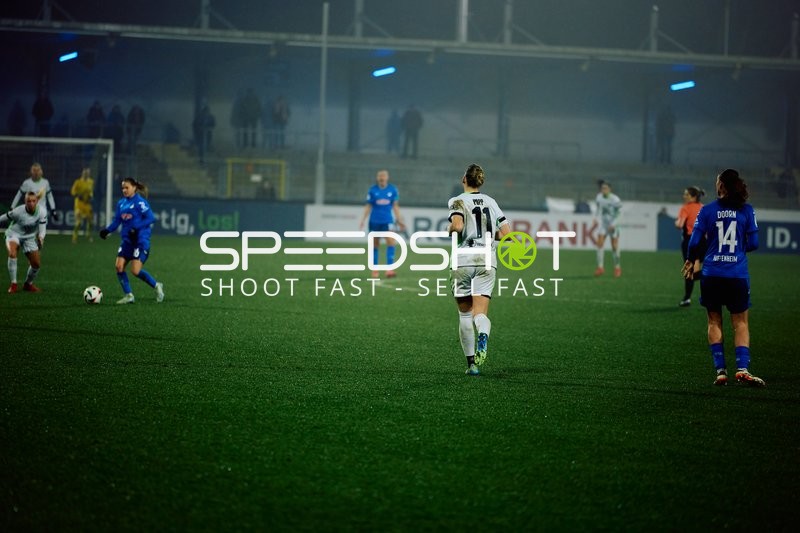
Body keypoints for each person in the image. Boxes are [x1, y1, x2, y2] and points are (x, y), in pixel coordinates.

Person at [682, 169, 764, 387]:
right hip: (736, 274)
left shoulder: (707, 210)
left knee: (714, 320)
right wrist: (735, 250)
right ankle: (742, 368)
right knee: (740, 323)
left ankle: (720, 371)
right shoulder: (747, 210)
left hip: (711, 274)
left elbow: (694, 242)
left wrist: (690, 261)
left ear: (721, 187)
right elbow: (754, 244)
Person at [447, 163, 511, 376]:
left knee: (464, 315)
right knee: (480, 313)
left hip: (463, 259)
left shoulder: (457, 200)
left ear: (464, 179)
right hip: (487, 260)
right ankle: (483, 331)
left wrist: (450, 229)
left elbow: (456, 226)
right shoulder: (491, 202)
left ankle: (472, 365)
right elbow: (506, 234)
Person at [99, 177, 164, 304]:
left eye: (126, 187)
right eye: (122, 188)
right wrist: (107, 230)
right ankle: (129, 295)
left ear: (134, 188)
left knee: (135, 271)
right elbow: (117, 221)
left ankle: (157, 286)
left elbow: (151, 218)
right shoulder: (121, 203)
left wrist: (136, 228)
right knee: (119, 266)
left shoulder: (140, 202)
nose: (124, 190)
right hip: (127, 241)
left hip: (140, 241)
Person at [359, 169, 406, 279]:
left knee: (391, 242)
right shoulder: (372, 190)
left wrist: (399, 220)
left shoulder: (393, 190)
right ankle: (375, 270)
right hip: (374, 221)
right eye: (380, 176)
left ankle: (389, 269)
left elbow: (395, 206)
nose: (382, 177)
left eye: (383, 175)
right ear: (377, 178)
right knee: (375, 245)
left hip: (387, 221)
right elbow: (368, 206)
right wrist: (362, 220)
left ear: (387, 177)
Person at [1, 191, 47, 293]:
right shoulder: (18, 211)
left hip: (29, 238)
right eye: (28, 201)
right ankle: (13, 284)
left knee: (36, 264)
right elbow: (3, 218)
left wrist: (41, 237)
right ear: (25, 201)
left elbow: (42, 229)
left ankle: (28, 284)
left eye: (33, 201)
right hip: (14, 234)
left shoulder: (42, 212)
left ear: (37, 201)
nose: (31, 203)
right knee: (12, 253)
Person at [675, 186, 705, 306]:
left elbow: (680, 224)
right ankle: (687, 298)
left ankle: (687, 298)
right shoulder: (703, 208)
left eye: (686, 194)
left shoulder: (685, 208)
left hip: (690, 242)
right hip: (703, 242)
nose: (684, 196)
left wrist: (676, 222)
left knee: (689, 272)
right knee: (693, 271)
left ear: (693, 196)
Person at [594, 180, 622, 277]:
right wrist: (595, 218)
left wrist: (614, 224)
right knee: (599, 243)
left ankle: (617, 267)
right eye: (602, 188)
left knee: (614, 246)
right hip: (604, 224)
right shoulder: (599, 197)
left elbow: (619, 214)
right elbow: (598, 209)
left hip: (613, 224)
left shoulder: (615, 199)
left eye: (605, 188)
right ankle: (600, 267)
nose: (603, 190)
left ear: (610, 189)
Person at [70, 167, 95, 243]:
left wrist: (91, 196)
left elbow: (91, 191)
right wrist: (77, 195)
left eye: (87, 173)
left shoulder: (91, 182)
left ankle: (88, 234)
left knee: (90, 221)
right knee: (78, 222)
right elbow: (73, 192)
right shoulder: (77, 182)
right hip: (79, 203)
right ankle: (74, 237)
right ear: (82, 173)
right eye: (85, 173)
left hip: (87, 203)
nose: (86, 174)